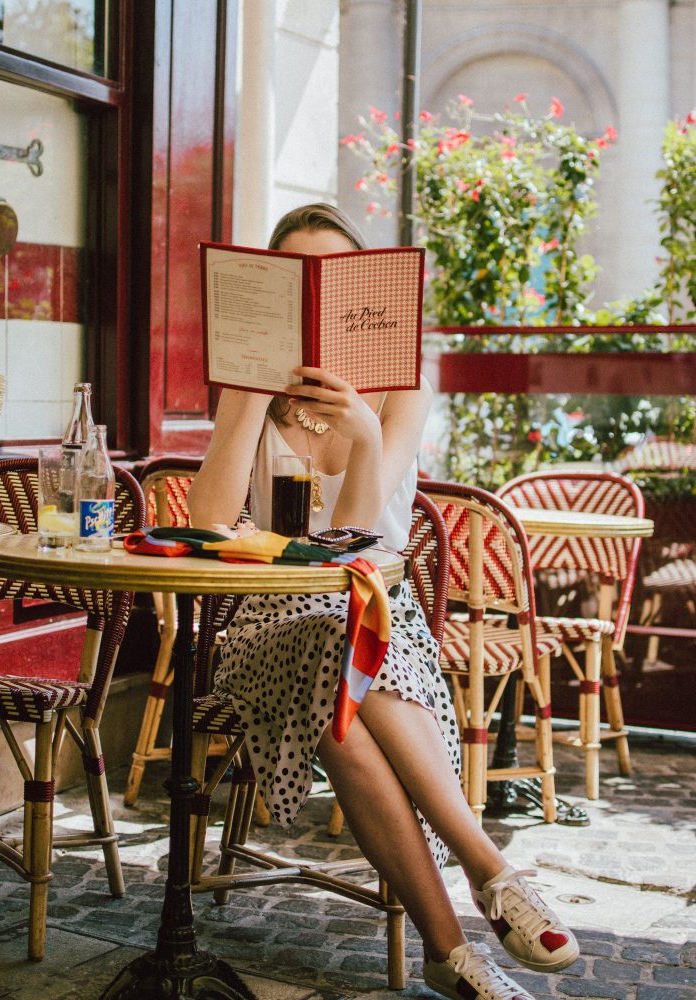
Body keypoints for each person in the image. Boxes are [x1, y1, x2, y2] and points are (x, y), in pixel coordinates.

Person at [188, 203, 579, 1000]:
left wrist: (362, 430)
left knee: (346, 708)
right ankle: (490, 871)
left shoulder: (404, 388)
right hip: (269, 624)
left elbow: (359, 545)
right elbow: (206, 524)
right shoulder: (251, 393)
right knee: (333, 667)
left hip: (375, 620)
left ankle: (451, 954)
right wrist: (242, 398)